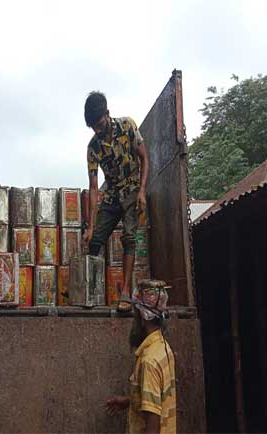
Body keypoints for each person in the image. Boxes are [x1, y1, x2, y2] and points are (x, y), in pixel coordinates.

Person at [82, 91, 150, 312]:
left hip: (132, 187)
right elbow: (93, 188)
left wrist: (141, 191)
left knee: (129, 237)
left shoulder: (128, 126)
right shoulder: (93, 148)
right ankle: (89, 292)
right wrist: (91, 226)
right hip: (111, 192)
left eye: (100, 124)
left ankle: (126, 293)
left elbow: (144, 158)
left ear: (108, 115)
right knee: (94, 241)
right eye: (93, 127)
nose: (97, 130)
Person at [105, 282, 176, 433]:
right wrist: (131, 402)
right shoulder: (163, 347)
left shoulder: (149, 362)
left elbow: (152, 424)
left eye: (136, 315)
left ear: (143, 317)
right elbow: (158, 400)